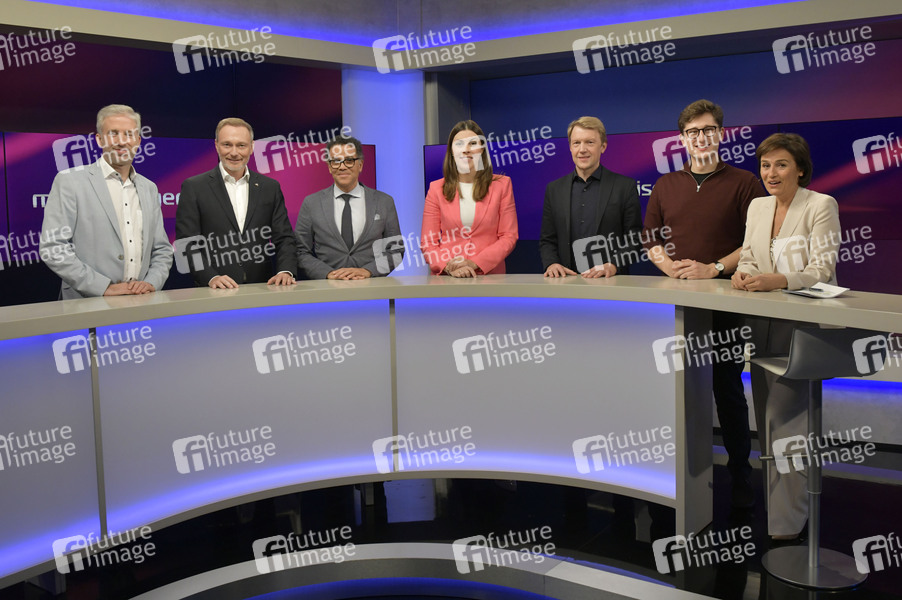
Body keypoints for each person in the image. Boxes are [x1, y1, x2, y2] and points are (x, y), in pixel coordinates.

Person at [643, 99, 766, 509]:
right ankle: (676, 471)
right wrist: (669, 268)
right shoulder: (665, 185)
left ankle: (740, 472)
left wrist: (713, 268)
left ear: (720, 134)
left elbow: (754, 241)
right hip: (675, 306)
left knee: (727, 389)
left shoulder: (745, 182)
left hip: (725, 304)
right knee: (674, 390)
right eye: (693, 132)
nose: (701, 138)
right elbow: (650, 238)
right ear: (682, 138)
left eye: (708, 130)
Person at [732, 133, 841, 540]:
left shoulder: (820, 205)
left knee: (789, 424)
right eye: (765, 165)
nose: (771, 173)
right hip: (762, 323)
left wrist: (776, 280)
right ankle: (779, 511)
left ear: (800, 169)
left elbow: (821, 270)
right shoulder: (758, 206)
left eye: (780, 164)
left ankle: (788, 524)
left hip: (801, 327)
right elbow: (747, 255)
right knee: (769, 420)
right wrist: (743, 274)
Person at [41, 104, 173, 299]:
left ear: (138, 140)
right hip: (87, 302)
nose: (121, 141)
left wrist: (151, 283)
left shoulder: (149, 188)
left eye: (129, 134)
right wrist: (102, 287)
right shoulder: (70, 181)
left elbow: (162, 249)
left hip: (141, 301)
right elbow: (53, 247)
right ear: (99, 139)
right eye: (113, 133)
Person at [176, 118, 297, 288]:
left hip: (262, 288)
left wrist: (285, 271)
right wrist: (211, 277)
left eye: (241, 145)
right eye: (227, 145)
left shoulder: (270, 187)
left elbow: (284, 238)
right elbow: (187, 244)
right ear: (216, 145)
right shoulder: (194, 187)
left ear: (252, 147)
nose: (234, 152)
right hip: (212, 291)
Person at [540, 116, 641, 278]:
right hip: (566, 281)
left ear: (603, 146)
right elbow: (547, 240)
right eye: (576, 143)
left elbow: (635, 239)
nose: (582, 149)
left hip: (610, 283)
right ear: (570, 147)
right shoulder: (554, 189)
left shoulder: (624, 187)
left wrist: (613, 265)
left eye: (590, 142)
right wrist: (552, 263)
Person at [295, 136, 403, 279]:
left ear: (360, 165)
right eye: (335, 161)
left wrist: (368, 271)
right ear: (329, 167)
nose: (342, 166)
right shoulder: (311, 203)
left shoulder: (384, 202)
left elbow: (395, 251)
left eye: (349, 160)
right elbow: (300, 251)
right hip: (327, 287)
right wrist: (328, 274)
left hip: (372, 286)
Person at [421, 120, 518, 277]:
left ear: (482, 150)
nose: (466, 150)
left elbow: (509, 236)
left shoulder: (502, 185)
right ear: (452, 151)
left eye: (472, 143)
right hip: (447, 278)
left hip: (489, 277)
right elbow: (428, 243)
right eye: (459, 144)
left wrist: (475, 263)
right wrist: (449, 267)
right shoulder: (436, 189)